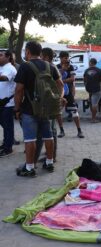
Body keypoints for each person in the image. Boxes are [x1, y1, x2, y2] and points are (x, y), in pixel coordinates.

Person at [14, 41, 62, 176]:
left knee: (30, 139)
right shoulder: (50, 66)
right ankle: (49, 162)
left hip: (30, 109)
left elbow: (19, 90)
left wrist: (17, 109)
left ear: (28, 52)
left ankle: (29, 168)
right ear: (40, 52)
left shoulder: (25, 67)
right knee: (48, 136)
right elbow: (60, 84)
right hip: (47, 109)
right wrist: (56, 99)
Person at [34, 47, 65, 163]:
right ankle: (50, 155)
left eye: (41, 56)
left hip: (50, 103)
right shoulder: (49, 67)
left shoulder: (50, 67)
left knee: (51, 130)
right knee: (50, 130)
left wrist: (59, 98)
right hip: (50, 102)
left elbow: (60, 85)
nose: (40, 58)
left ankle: (52, 157)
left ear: (46, 57)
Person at [56, 51, 84, 138]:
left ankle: (79, 130)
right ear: (60, 58)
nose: (67, 59)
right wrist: (63, 69)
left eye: (68, 58)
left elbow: (72, 79)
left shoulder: (71, 67)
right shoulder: (56, 67)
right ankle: (61, 130)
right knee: (58, 112)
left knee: (74, 112)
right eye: (65, 58)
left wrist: (62, 81)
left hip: (68, 93)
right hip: (60, 92)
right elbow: (55, 79)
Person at [0, 50, 17, 157]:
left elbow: (5, 78)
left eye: (0, 55)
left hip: (7, 103)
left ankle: (8, 147)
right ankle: (6, 143)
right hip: (2, 102)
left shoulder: (10, 68)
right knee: (5, 125)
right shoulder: (2, 68)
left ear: (8, 57)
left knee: (7, 126)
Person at [83, 58, 101, 122]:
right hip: (97, 89)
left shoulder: (86, 70)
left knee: (91, 102)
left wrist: (86, 86)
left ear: (90, 62)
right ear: (95, 63)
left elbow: (84, 79)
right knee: (94, 104)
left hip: (89, 89)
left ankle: (92, 117)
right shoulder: (99, 70)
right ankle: (93, 119)